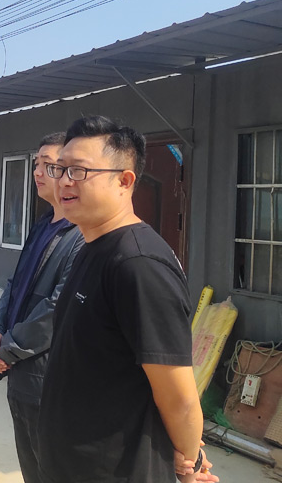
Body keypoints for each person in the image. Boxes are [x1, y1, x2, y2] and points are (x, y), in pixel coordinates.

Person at [36, 115, 212, 483]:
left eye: (79, 171)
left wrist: (189, 461)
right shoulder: (91, 247)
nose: (64, 180)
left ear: (124, 181)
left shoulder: (138, 264)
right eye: (60, 169)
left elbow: (178, 396)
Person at [0, 132, 84, 483]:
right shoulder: (43, 224)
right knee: (31, 467)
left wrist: (7, 349)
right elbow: (16, 284)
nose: (38, 172)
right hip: (20, 371)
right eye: (36, 164)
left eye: (49, 165)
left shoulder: (79, 235)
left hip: (47, 377)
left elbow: (58, 308)